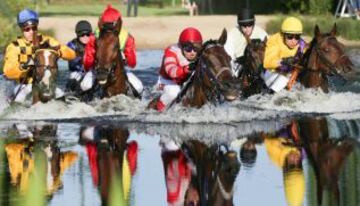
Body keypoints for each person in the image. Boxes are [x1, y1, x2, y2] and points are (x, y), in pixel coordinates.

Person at [3, 9, 76, 103]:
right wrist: (24, 66)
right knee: (22, 95)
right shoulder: (14, 46)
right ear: (22, 29)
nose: (31, 32)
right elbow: (8, 71)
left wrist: (58, 51)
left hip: (46, 85)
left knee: (60, 93)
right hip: (24, 85)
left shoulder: (48, 41)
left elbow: (72, 55)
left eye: (34, 28)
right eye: (27, 29)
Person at [83, 5, 143, 95]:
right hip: (121, 71)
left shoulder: (94, 36)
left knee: (85, 86)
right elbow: (132, 63)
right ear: (118, 23)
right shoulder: (127, 37)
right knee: (139, 87)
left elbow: (87, 62)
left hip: (97, 72)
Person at [155, 27, 203, 112]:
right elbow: (171, 71)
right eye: (188, 48)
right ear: (181, 46)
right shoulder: (171, 52)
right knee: (173, 92)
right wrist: (185, 69)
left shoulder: (200, 54)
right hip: (168, 82)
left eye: (195, 48)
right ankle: (157, 112)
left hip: (185, 81)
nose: (192, 52)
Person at [262, 17, 307, 93]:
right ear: (283, 35)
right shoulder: (274, 40)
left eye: (297, 37)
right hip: (272, 73)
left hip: (291, 73)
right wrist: (283, 61)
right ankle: (270, 96)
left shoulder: (302, 44)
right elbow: (267, 63)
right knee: (285, 78)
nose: (293, 41)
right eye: (290, 37)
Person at [224, 8, 267, 77]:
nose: (247, 29)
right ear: (240, 25)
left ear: (253, 24)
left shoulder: (262, 33)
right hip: (238, 65)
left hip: (259, 65)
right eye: (244, 26)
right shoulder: (232, 34)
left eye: (249, 25)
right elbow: (229, 56)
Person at [66, 20, 94, 95]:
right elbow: (72, 63)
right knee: (73, 78)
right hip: (78, 72)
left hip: (93, 71)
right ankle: (71, 95)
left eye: (88, 34)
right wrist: (82, 57)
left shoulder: (96, 42)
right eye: (82, 34)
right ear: (77, 35)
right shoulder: (71, 45)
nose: (85, 37)